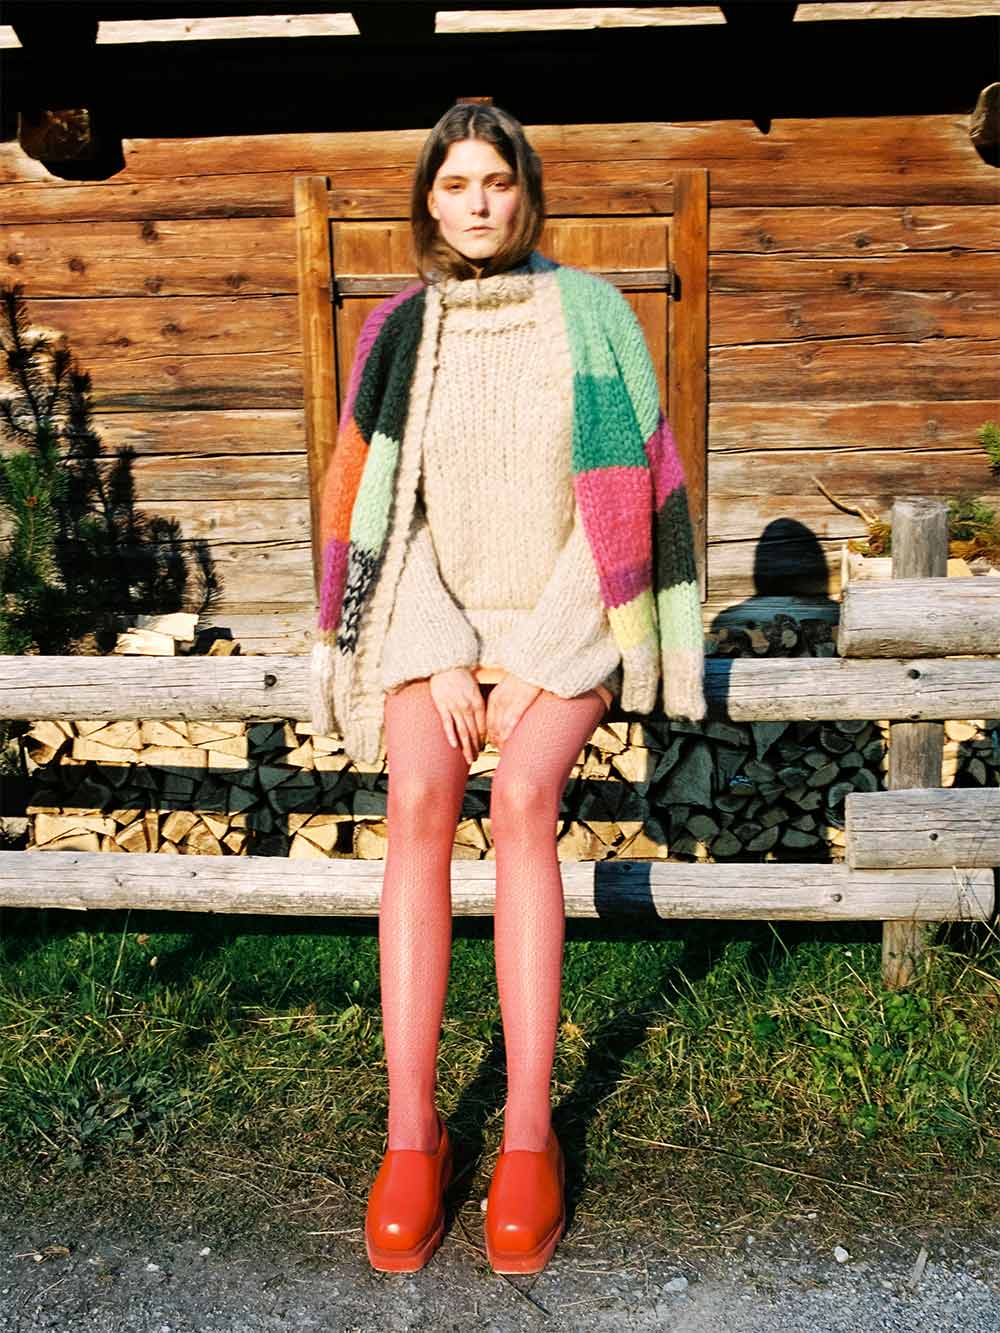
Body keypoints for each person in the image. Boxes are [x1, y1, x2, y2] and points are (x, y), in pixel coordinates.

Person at [310, 102, 706, 1276]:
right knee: (418, 805)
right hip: (430, 618)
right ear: (428, 202)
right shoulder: (398, 329)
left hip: (565, 619)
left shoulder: (591, 314)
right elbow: (383, 511)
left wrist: (534, 659)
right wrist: (440, 652)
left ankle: (529, 1132)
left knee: (525, 800)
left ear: (525, 191)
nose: (476, 203)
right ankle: (413, 1135)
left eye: (495, 181)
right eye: (454, 185)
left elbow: (621, 501)